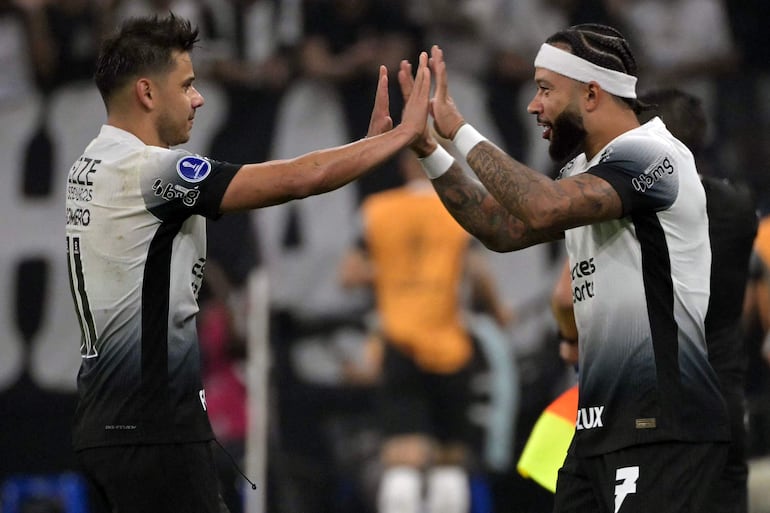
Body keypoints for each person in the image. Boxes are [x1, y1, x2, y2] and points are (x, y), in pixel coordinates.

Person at [64, 13, 430, 513]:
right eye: (188, 85)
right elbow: (295, 179)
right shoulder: (149, 170)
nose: (199, 98)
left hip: (103, 422)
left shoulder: (88, 165)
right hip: (155, 430)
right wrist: (388, 142)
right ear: (147, 93)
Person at [398, 23, 730, 512]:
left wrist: (459, 130)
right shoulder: (585, 171)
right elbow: (501, 228)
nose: (534, 105)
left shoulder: (653, 156)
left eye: (546, 89)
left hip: (662, 425)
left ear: (592, 94)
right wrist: (429, 149)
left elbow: (542, 208)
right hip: (597, 429)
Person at [548, 87, 758, 513]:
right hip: (727, 399)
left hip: (658, 403)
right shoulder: (738, 208)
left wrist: (571, 343)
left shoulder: (632, 207)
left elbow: (564, 296)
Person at [338, 149, 511, 513]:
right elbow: (476, 272)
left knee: (402, 460)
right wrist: (499, 313)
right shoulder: (459, 210)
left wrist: (392, 274)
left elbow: (349, 275)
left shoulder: (378, 210)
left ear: (404, 165)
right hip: (452, 346)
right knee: (450, 460)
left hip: (399, 346)